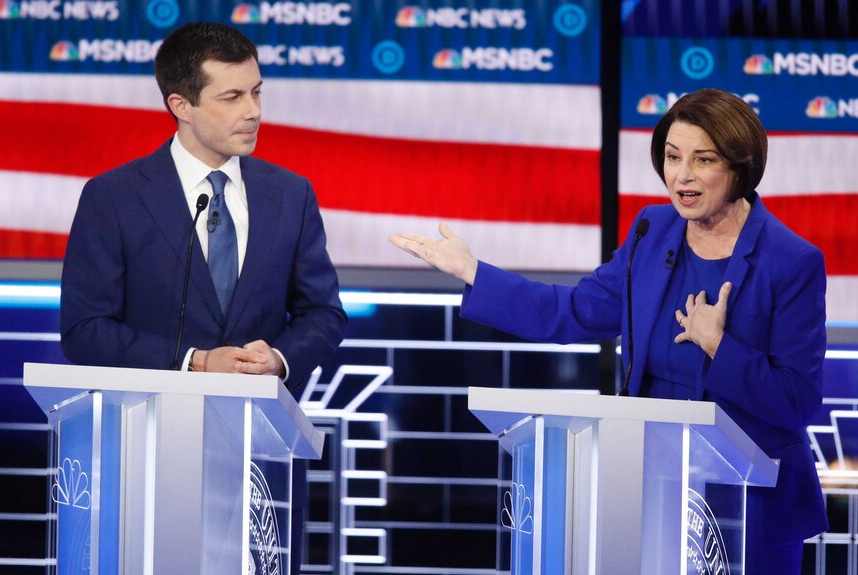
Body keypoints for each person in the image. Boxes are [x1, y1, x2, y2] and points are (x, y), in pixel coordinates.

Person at [390, 88, 827, 573]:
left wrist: (718, 345)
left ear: (740, 168)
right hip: (651, 490)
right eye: (672, 156)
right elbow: (575, 311)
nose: (682, 175)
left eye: (703, 160)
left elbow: (798, 402)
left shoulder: (791, 262)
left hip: (752, 509)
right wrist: (476, 273)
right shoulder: (652, 231)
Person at [60, 22, 347, 574]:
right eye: (233, 96)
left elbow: (324, 313)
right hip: (142, 455)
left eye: (258, 91)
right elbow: (84, 329)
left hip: (258, 462)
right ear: (181, 104)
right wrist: (194, 362)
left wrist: (280, 359)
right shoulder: (113, 197)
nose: (254, 110)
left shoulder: (291, 194)